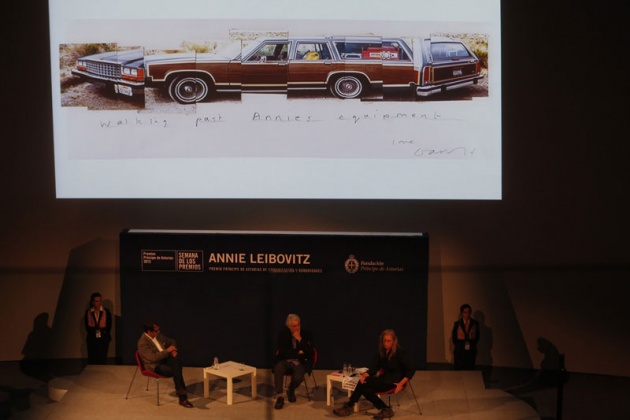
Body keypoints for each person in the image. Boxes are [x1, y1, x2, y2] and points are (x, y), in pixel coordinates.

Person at [333, 329, 415, 419]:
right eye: (384, 341)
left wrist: (401, 384)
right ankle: (385, 409)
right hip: (384, 379)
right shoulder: (382, 351)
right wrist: (366, 374)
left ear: (394, 341)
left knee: (362, 384)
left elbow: (411, 369)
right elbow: (375, 367)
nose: (386, 343)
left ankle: (349, 406)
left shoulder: (400, 352)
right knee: (364, 386)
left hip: (395, 381)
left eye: (389, 341)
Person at [137, 321, 193, 408]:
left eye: (159, 330)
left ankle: (180, 391)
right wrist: (167, 351)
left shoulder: (157, 335)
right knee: (176, 369)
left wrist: (173, 349)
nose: (158, 332)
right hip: (154, 365)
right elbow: (153, 358)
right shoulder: (142, 342)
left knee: (175, 361)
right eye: (156, 331)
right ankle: (183, 398)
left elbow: (171, 341)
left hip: (164, 358)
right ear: (149, 331)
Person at [273, 313, 314, 410]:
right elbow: (283, 352)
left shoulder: (306, 334)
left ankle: (291, 389)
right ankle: (280, 397)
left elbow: (310, 351)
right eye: (294, 326)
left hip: (301, 362)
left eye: (298, 325)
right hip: (286, 361)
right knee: (278, 368)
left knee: (298, 376)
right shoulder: (283, 335)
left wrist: (300, 339)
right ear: (288, 326)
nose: (297, 328)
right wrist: (298, 352)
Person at [84, 292, 112, 364]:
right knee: (92, 358)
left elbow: (109, 325)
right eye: (96, 301)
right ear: (92, 302)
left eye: (100, 301)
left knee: (102, 357)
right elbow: (87, 326)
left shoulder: (106, 312)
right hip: (92, 336)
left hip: (103, 336)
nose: (99, 303)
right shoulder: (88, 312)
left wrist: (105, 333)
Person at [451, 303, 480, 370]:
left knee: (469, 367)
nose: (467, 314)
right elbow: (454, 337)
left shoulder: (474, 323)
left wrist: (472, 344)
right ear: (462, 313)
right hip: (460, 348)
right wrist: (459, 345)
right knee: (459, 367)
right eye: (465, 312)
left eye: (469, 312)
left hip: (471, 348)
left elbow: (477, 336)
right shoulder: (457, 323)